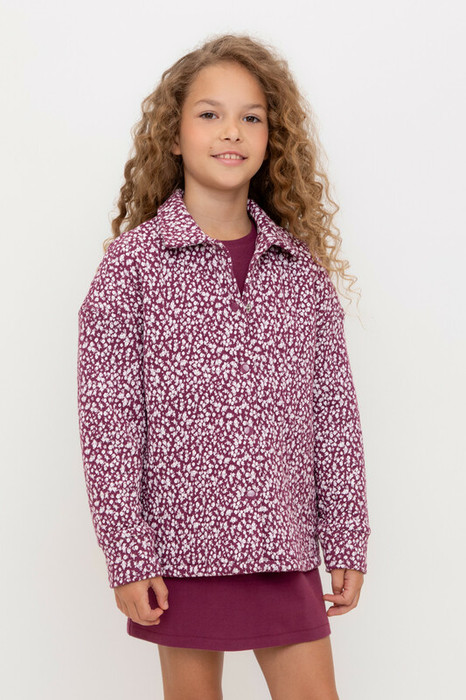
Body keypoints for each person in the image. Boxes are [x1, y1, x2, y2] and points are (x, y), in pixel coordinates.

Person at [77, 32, 371, 700]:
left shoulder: (300, 273)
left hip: (282, 545)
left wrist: (347, 537)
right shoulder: (132, 268)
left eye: (251, 117)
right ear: (173, 136)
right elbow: (108, 425)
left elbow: (334, 415)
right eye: (209, 114)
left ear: (272, 139)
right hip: (179, 552)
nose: (231, 131)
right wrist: (128, 552)